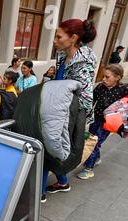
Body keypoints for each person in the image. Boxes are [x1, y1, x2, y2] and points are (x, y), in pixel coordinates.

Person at [46, 18, 98, 195]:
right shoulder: (62, 55)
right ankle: (62, 182)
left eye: (59, 37)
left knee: (48, 150)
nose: (55, 41)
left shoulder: (83, 63)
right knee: (50, 149)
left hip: (68, 115)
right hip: (56, 110)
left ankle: (38, 192)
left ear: (73, 38)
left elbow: (84, 99)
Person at [78, 64, 128, 180]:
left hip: (108, 123)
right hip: (95, 119)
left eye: (107, 77)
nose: (104, 79)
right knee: (91, 139)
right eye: (103, 76)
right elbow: (92, 100)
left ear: (117, 77)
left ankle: (88, 169)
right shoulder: (100, 87)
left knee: (94, 143)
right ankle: (97, 158)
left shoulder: (123, 89)